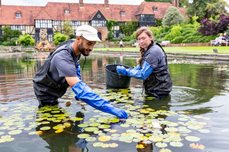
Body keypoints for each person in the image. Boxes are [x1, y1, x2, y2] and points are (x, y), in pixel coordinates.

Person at [33, 25, 128, 119]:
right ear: (78, 39)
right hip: (45, 91)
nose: (91, 48)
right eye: (89, 43)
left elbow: (76, 66)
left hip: (57, 86)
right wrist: (111, 108)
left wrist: (79, 83)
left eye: (93, 44)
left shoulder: (76, 48)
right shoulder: (62, 57)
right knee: (50, 116)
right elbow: (82, 90)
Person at [116, 26, 172, 99]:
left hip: (158, 92)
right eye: (139, 39)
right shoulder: (149, 49)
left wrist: (126, 72)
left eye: (143, 38)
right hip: (157, 89)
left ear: (150, 38)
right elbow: (141, 67)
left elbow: (143, 74)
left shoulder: (153, 52)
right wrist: (132, 69)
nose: (141, 41)